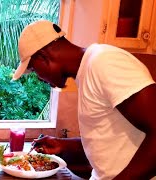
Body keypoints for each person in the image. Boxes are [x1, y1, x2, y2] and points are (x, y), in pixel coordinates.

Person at [12, 19, 156, 180]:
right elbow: (107, 139)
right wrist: (62, 144)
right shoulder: (87, 71)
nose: (39, 78)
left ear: (42, 56)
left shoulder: (104, 62)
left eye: (33, 69)